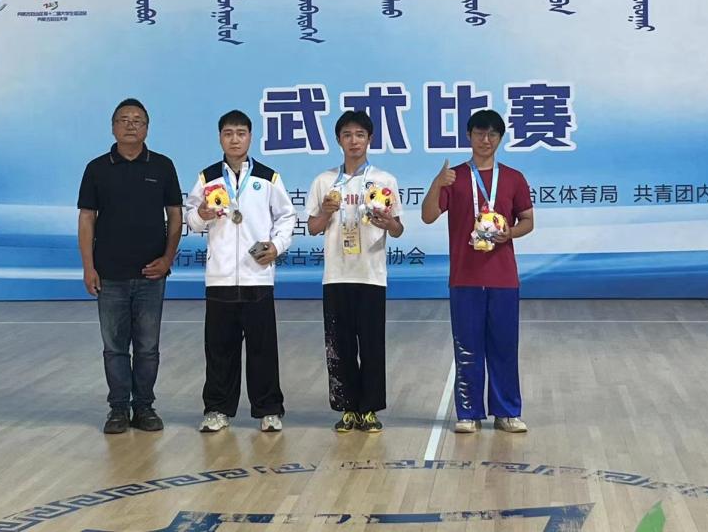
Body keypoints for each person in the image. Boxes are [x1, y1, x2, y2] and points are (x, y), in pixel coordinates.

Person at [421, 109, 534, 434]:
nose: (486, 140)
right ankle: (468, 413)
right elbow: (428, 216)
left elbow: (528, 221)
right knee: (467, 348)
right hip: (464, 277)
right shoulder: (454, 177)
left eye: (492, 134)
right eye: (480, 133)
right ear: (469, 136)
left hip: (503, 278)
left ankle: (507, 411)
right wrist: (436, 183)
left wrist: (509, 233)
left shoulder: (513, 178)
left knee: (504, 347)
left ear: (500, 139)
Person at [185, 110, 296, 433]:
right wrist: (202, 214)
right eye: (228, 133)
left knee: (263, 348)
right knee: (220, 349)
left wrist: (277, 245)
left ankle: (269, 410)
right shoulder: (207, 178)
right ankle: (217, 410)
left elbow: (287, 216)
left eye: (241, 133)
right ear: (220, 137)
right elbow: (191, 218)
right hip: (219, 277)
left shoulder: (268, 177)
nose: (235, 139)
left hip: (257, 274)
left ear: (250, 137)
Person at [77, 98, 183, 434]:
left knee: (148, 348)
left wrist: (167, 259)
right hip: (109, 275)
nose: (131, 125)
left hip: (152, 274)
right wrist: (88, 267)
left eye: (138, 120)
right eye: (124, 119)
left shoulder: (162, 166)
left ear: (147, 128)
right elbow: (86, 218)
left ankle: (145, 407)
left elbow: (175, 216)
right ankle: (118, 409)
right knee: (114, 348)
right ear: (113, 127)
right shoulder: (97, 168)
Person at [307, 111, 403, 434]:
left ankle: (370, 409)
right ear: (339, 140)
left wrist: (387, 222)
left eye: (360, 135)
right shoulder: (324, 181)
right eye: (347, 135)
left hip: (371, 275)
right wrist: (325, 212)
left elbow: (398, 228)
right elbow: (312, 227)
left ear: (369, 139)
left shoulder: (384, 181)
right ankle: (347, 408)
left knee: (373, 345)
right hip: (336, 275)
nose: (354, 141)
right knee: (340, 345)